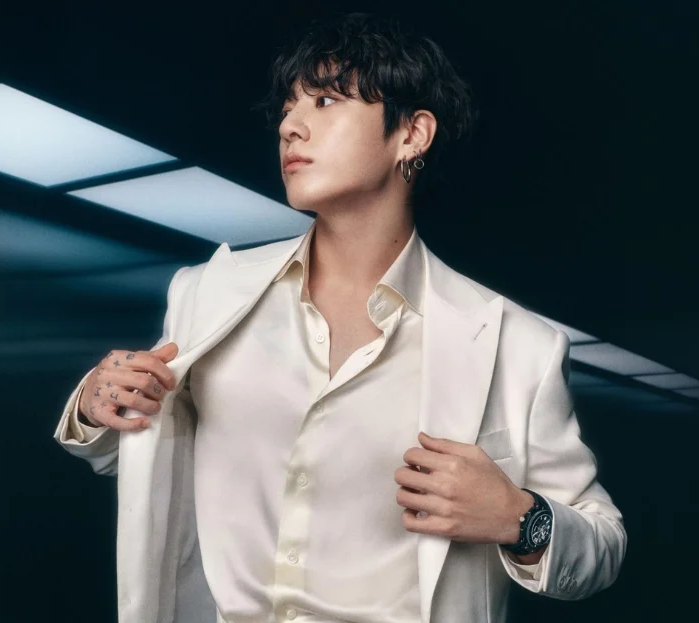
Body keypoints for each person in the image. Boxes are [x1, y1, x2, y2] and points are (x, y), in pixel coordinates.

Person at [53, 12, 626, 623]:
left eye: (325, 101)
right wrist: (97, 405)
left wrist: (518, 517)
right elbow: (147, 457)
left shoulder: (518, 344)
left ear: (412, 134)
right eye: (288, 108)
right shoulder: (209, 292)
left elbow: (603, 546)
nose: (290, 127)